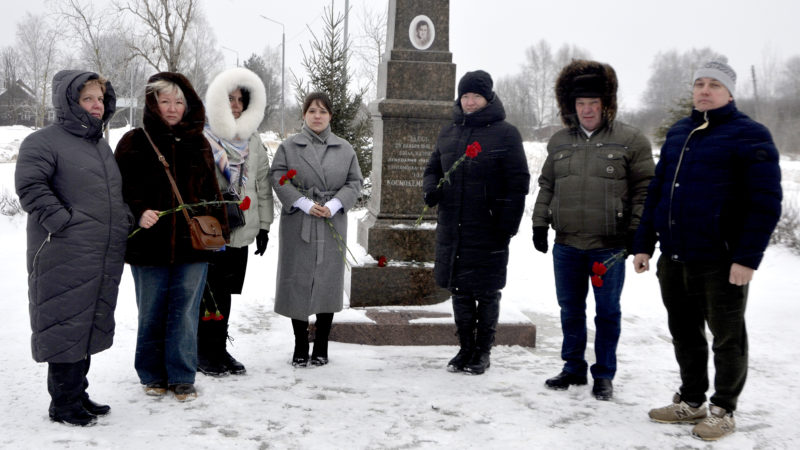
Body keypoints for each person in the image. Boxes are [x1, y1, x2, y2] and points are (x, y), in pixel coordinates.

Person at [632, 61, 782, 441]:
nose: (704, 90)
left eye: (714, 85)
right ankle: (692, 400)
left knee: (728, 337)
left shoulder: (750, 134)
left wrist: (747, 258)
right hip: (676, 255)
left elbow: (765, 202)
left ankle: (723, 409)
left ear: (730, 93)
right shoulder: (680, 132)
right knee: (685, 333)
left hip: (721, 260)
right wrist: (644, 245)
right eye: (699, 83)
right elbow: (658, 192)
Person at [532, 60, 654, 400]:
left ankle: (604, 374)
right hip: (567, 244)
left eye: (593, 104)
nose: (586, 110)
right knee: (570, 310)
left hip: (609, 246)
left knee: (607, 313)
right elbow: (547, 185)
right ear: (571, 106)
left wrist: (636, 231)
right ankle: (573, 368)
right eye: (580, 104)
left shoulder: (631, 140)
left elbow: (646, 189)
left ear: (606, 105)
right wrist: (540, 223)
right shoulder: (558, 142)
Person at [15, 70, 131, 426]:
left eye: (100, 98)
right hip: (62, 251)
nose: (96, 106)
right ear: (69, 102)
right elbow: (31, 186)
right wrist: (62, 222)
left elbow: (111, 195)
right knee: (65, 321)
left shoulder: (99, 144)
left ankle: (77, 392)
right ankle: (63, 404)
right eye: (88, 99)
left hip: (99, 252)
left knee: (88, 320)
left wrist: (123, 218)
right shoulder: (42, 141)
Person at [115, 72, 228, 402]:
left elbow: (212, 193)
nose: (172, 108)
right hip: (148, 244)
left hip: (192, 246)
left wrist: (218, 233)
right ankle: (151, 373)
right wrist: (138, 211)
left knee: (185, 311)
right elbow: (117, 191)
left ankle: (181, 375)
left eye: (179, 101)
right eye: (165, 101)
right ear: (152, 103)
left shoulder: (199, 143)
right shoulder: (133, 142)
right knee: (151, 310)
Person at [423, 70, 530, 375]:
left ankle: (483, 351)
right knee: (460, 290)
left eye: (476, 96)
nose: (469, 102)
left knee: (485, 291)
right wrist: (431, 189)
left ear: (488, 98)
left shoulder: (506, 134)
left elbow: (518, 181)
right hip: (453, 226)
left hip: (488, 228)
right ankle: (465, 348)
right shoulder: (449, 132)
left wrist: (506, 225)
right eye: (465, 96)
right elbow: (432, 168)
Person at [269, 91, 363, 367]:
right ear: (304, 115)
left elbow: (354, 182)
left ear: (330, 115)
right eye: (312, 111)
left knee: (326, 281)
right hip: (299, 221)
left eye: (323, 111)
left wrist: (334, 204)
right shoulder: (289, 146)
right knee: (297, 281)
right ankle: (300, 344)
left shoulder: (344, 148)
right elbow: (277, 176)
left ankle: (321, 344)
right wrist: (301, 202)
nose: (317, 116)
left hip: (331, 220)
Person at [198, 67, 274, 376]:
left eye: (240, 100)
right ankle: (204, 350)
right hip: (213, 229)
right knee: (209, 292)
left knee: (226, 292)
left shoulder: (253, 140)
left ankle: (219, 348)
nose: (235, 105)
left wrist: (265, 226)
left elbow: (262, 184)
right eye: (229, 98)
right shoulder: (205, 136)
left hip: (242, 228)